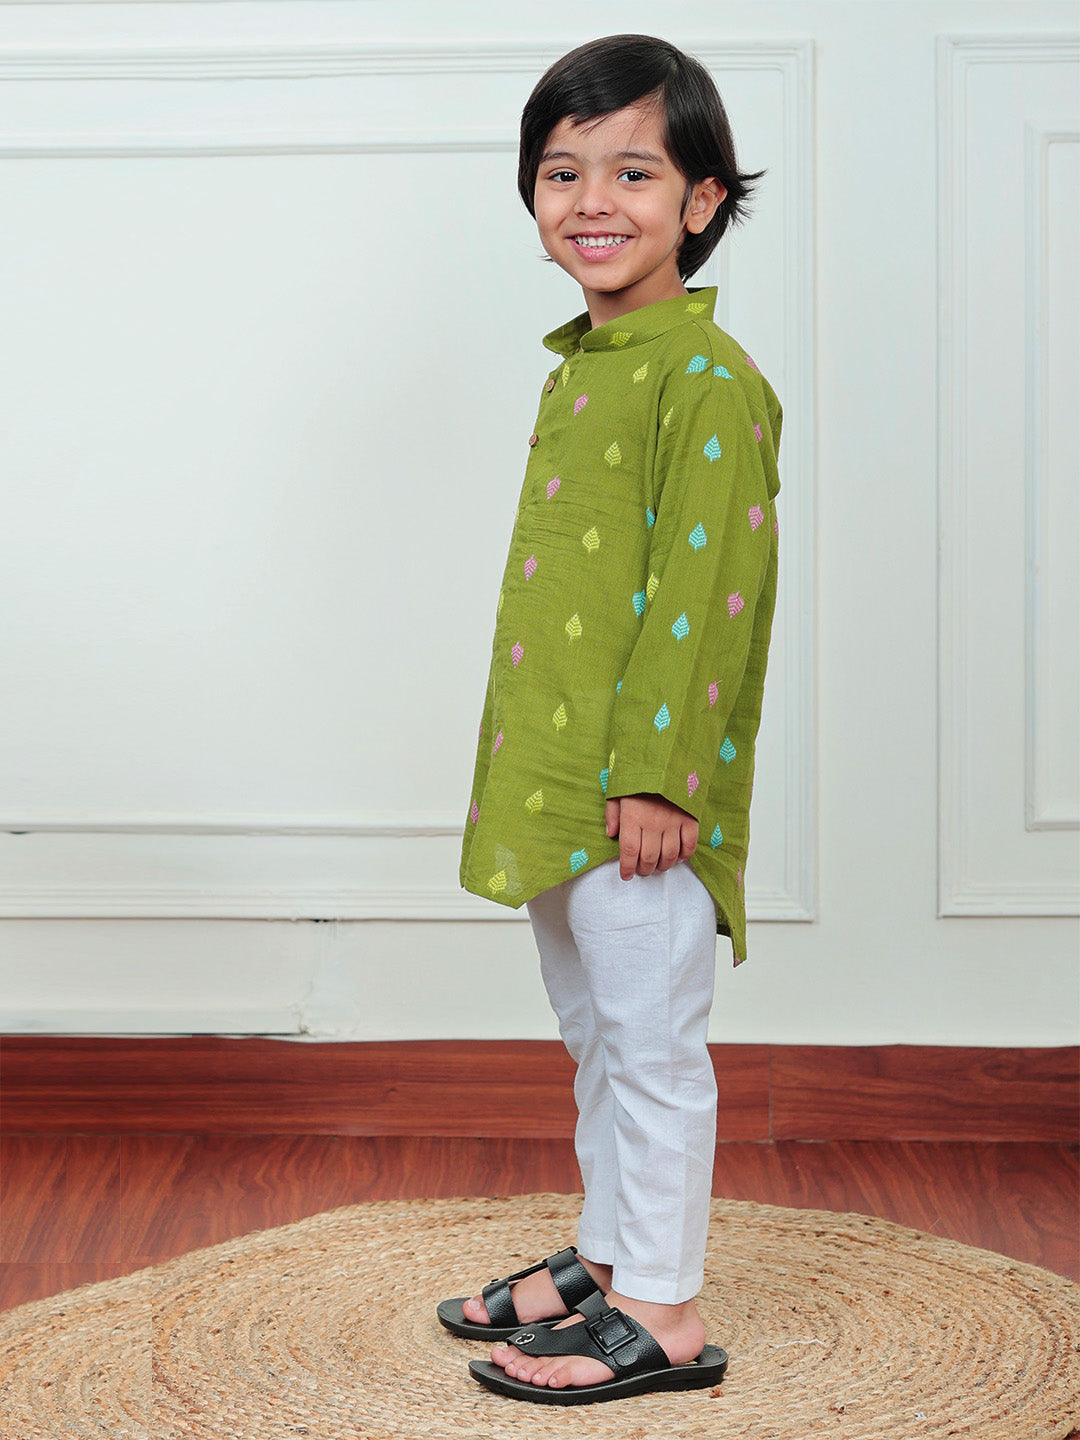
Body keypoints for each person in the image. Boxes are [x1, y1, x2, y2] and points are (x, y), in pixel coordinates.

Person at [437, 33, 782, 1406]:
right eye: (561, 171)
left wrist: (660, 776)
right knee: (595, 1039)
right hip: (556, 778)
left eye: (633, 172)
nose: (592, 200)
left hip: (638, 796)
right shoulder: (586, 364)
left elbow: (707, 595)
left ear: (701, 201)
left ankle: (665, 1310)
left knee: (651, 1050)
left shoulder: (706, 381)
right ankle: (609, 1252)